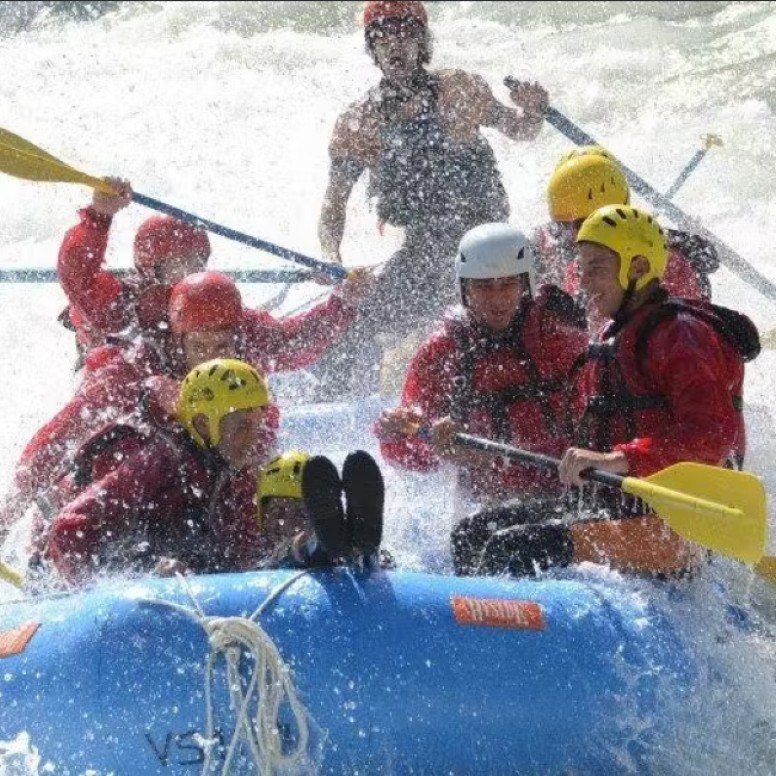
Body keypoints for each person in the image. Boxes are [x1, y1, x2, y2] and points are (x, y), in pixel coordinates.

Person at [463, 204, 759, 579]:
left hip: (678, 527)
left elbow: (712, 435)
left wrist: (617, 459)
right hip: (620, 509)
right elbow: (588, 438)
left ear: (637, 267)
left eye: (597, 269)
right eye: (582, 269)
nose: (584, 282)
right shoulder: (611, 337)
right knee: (473, 533)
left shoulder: (683, 335)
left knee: (516, 546)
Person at [0, 268, 372, 533]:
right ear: (178, 341)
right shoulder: (134, 367)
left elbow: (297, 340)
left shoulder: (250, 336)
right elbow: (59, 436)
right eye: (200, 347)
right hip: (134, 490)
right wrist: (7, 515)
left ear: (236, 335)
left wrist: (343, 301)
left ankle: (290, 539)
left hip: (215, 485)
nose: (212, 358)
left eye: (222, 346)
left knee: (260, 423)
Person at [312, 0, 550, 399]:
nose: (396, 45)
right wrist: (332, 261)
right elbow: (332, 208)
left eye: (406, 33)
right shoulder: (359, 122)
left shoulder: (461, 90)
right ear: (372, 49)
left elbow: (522, 129)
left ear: (422, 42)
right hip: (424, 257)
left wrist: (535, 111)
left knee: (552, 304)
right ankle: (351, 415)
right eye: (384, 36)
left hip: (493, 248)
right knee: (350, 323)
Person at [375, 222, 588, 510]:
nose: (498, 299)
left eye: (508, 284)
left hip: (568, 493)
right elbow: (402, 455)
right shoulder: (441, 352)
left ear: (526, 284)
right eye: (484, 286)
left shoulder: (559, 339)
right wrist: (425, 444)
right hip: (489, 504)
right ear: (465, 288)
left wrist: (495, 458)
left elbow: (600, 428)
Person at [46, 358, 278, 585]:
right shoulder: (157, 462)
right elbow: (68, 529)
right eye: (243, 427)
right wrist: (142, 574)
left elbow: (245, 551)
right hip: (66, 557)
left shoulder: (237, 471)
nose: (255, 439)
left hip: (165, 557)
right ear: (203, 425)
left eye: (258, 424)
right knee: (190, 535)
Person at [533, 147, 718, 301]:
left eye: (581, 225)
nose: (572, 237)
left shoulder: (664, 265)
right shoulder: (577, 269)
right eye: (563, 226)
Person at [57, 177, 210, 360]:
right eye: (178, 264)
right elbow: (77, 274)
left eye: (196, 262)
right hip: (119, 378)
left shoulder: (208, 295)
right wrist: (99, 216)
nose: (190, 273)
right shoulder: (123, 302)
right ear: (151, 267)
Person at [255, 450, 385, 569]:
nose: (288, 525)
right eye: (278, 513)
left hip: (321, 552)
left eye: (301, 513)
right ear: (263, 517)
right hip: (299, 555)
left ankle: (359, 550)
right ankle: (322, 545)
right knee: (287, 552)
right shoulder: (257, 558)